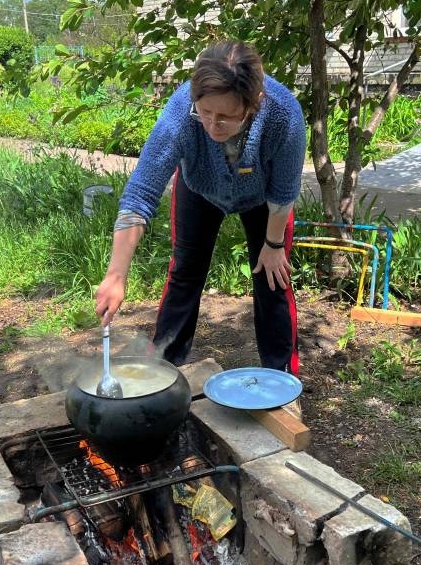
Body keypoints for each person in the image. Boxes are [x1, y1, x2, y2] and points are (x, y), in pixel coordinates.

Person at [94, 40, 307, 375]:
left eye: (225, 117)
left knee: (272, 278)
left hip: (265, 199)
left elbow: (284, 192)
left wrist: (274, 244)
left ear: (255, 104)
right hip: (199, 188)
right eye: (204, 113)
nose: (211, 125)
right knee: (184, 274)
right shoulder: (182, 110)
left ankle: (282, 379)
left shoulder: (284, 115)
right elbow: (141, 193)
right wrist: (116, 275)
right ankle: (161, 372)